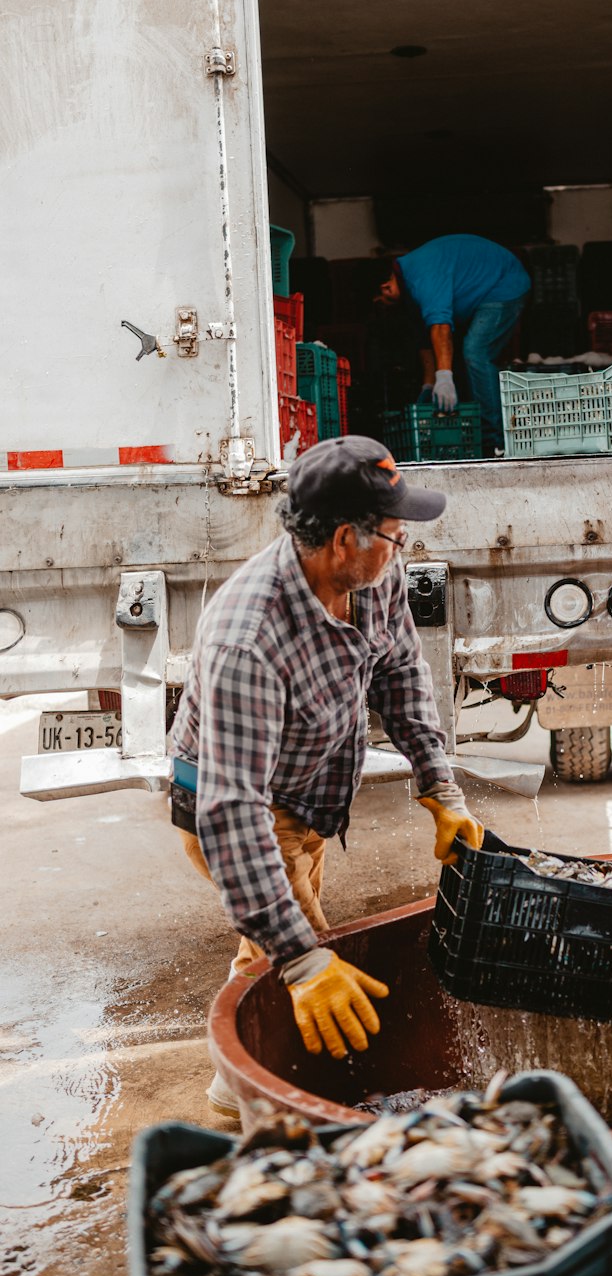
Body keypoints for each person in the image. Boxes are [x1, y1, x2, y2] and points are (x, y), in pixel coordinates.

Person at [168, 435, 484, 1116]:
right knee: (303, 954)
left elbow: (399, 671)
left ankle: (237, 1088)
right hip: (238, 807)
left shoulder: (375, 575)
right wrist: (304, 959)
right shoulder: (248, 638)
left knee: (272, 950)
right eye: (396, 536)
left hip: (307, 797)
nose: (404, 547)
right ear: (346, 538)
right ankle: (260, 1107)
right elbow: (231, 812)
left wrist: (440, 785)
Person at [377, 233, 530, 454]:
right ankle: (488, 433)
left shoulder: (422, 278)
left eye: (383, 301)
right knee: (465, 356)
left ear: (386, 287)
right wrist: (428, 386)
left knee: (475, 352)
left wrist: (445, 377)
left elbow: (441, 328)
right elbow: (427, 343)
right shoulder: (408, 293)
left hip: (505, 282)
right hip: (484, 287)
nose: (386, 307)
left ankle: (495, 442)